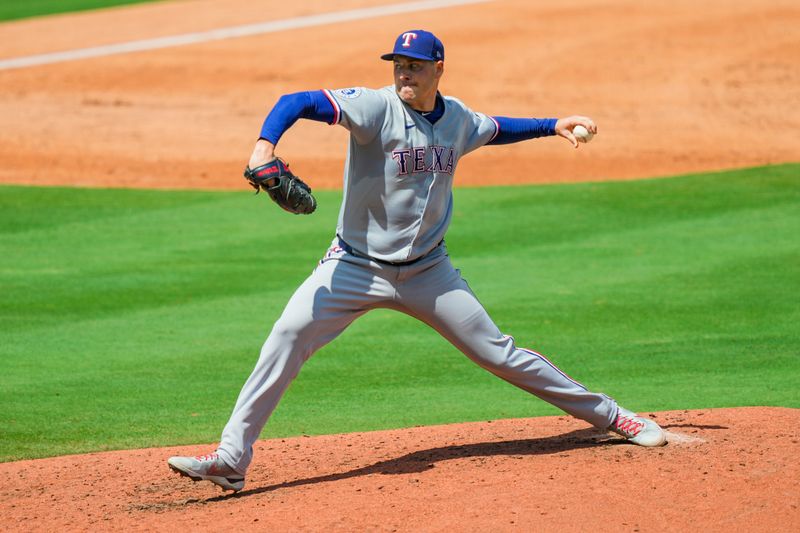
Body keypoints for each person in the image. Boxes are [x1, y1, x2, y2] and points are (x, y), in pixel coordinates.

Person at [168, 29, 666, 493]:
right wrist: (263, 147)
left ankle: (613, 416)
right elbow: (295, 101)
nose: (404, 73)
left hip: (430, 271)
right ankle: (231, 460)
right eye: (399, 65)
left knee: (499, 353)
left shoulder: (458, 120)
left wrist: (553, 124)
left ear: (438, 70)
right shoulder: (374, 108)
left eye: (415, 66)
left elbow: (496, 129)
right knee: (287, 336)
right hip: (354, 267)